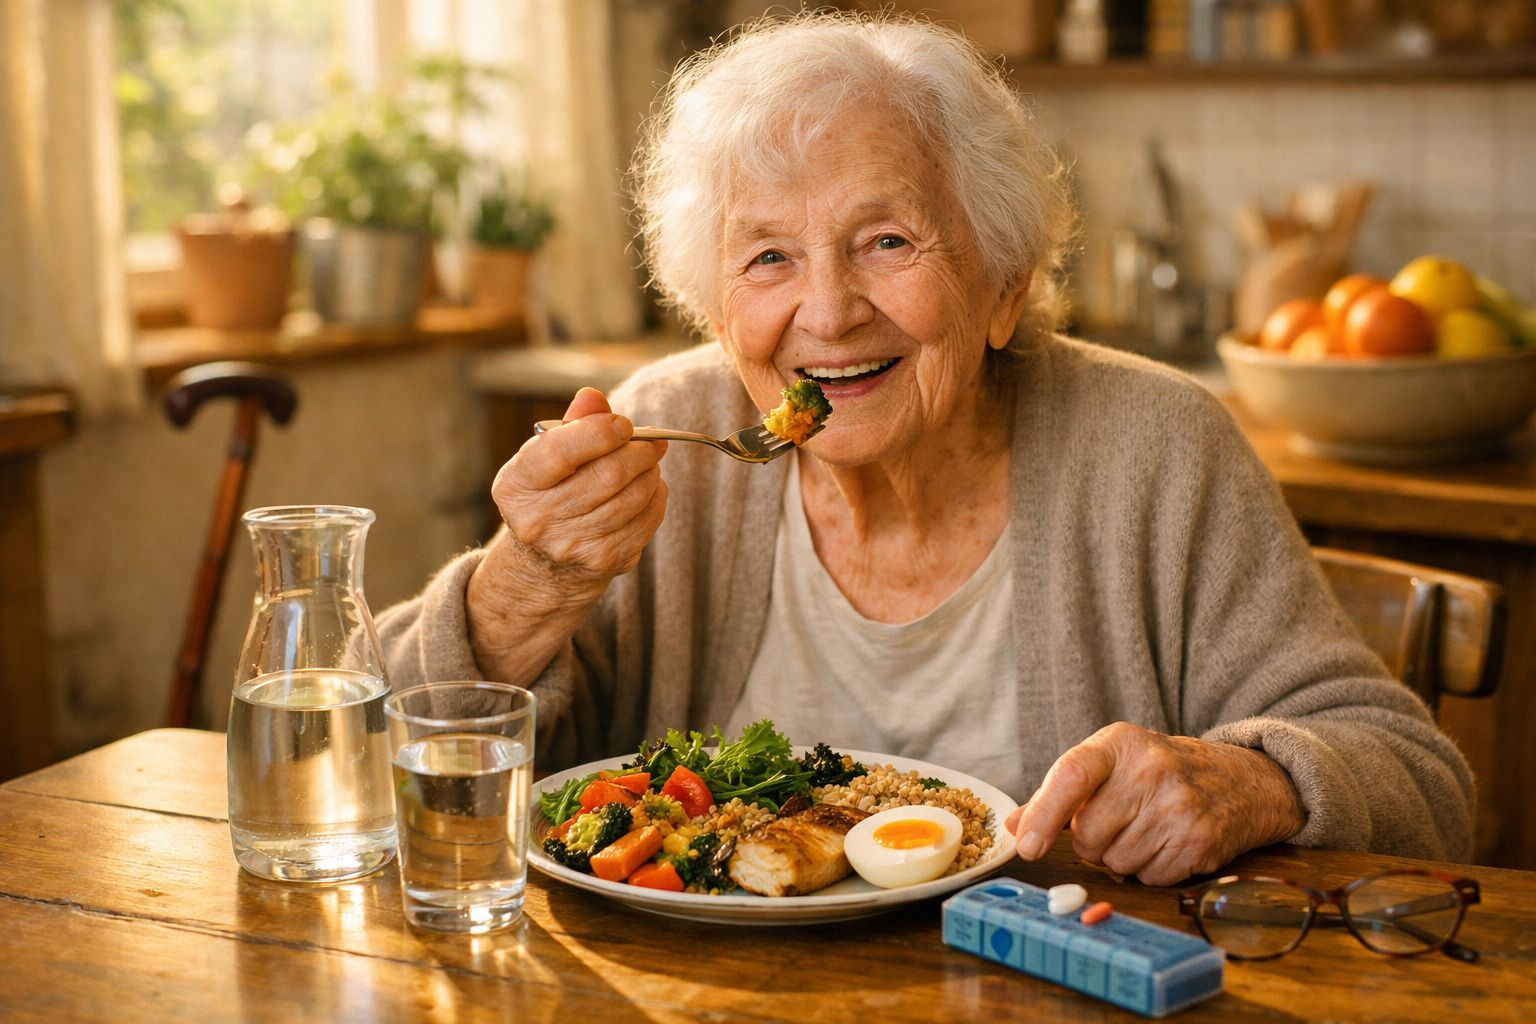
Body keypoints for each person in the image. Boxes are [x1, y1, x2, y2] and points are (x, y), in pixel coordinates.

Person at [378, 11, 1473, 884]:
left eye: (887, 241)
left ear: (1002, 287)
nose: (828, 311)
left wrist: (1250, 781)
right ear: (715, 309)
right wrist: (522, 591)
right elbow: (363, 746)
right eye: (768, 258)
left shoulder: (1155, 448)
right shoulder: (666, 441)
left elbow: (1424, 782)